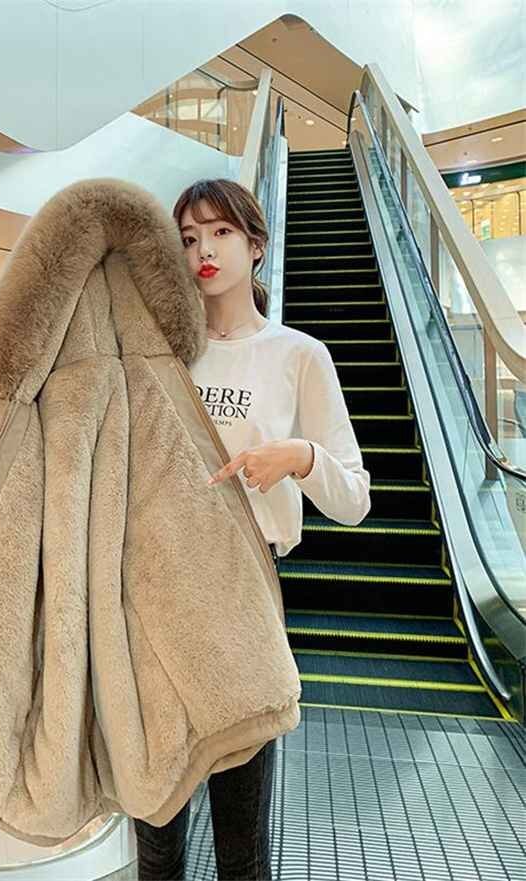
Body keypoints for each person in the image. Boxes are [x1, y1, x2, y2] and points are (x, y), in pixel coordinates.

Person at [132, 178, 371, 880]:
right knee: (155, 829)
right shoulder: (159, 353)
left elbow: (355, 498)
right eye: (188, 238)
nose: (203, 251)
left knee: (241, 833)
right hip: (156, 591)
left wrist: (299, 456)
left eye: (221, 233)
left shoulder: (298, 354)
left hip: (245, 593)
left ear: (257, 245)